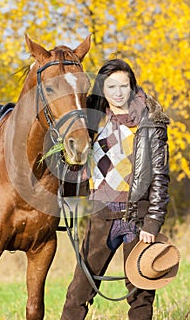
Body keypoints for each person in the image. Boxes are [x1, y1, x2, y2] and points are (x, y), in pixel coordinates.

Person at [60, 59, 170, 320]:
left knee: (141, 293)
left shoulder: (151, 122)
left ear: (132, 87)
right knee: (78, 291)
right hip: (101, 215)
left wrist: (152, 222)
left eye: (124, 85)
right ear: (102, 88)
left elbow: (160, 176)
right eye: (111, 86)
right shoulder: (91, 119)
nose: (118, 92)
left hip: (138, 216)